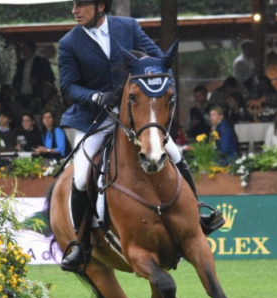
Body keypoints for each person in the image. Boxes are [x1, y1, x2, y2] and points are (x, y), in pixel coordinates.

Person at [57, 0, 223, 272]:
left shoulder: (128, 27)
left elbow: (160, 62)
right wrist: (95, 97)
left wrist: (159, 94)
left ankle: (198, 216)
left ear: (100, 6)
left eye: (82, 4)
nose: (75, 10)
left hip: (137, 116)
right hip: (94, 118)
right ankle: (82, 244)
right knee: (81, 176)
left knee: (175, 154)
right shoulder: (69, 43)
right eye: (73, 4)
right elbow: (67, 87)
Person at [13, 41, 56, 108]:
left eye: (25, 48)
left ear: (31, 49)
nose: (23, 50)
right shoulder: (21, 63)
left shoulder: (41, 62)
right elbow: (16, 79)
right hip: (21, 96)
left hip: (36, 95)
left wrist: (38, 81)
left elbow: (50, 77)